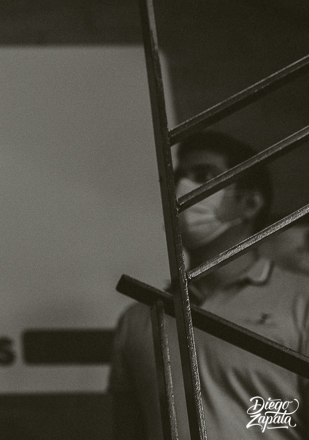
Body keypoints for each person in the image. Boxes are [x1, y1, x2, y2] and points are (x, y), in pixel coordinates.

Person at [109, 130, 309, 439]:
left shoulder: (302, 300)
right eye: (178, 178)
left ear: (250, 203)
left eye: (204, 176)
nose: (182, 190)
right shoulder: (139, 319)